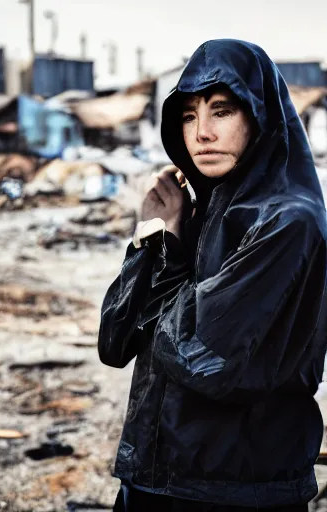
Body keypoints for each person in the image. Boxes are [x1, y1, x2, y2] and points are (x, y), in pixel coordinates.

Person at [98, 39, 327, 511]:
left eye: (221, 111)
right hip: (154, 478)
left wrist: (169, 259)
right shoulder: (202, 211)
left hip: (235, 492)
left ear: (260, 117)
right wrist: (154, 235)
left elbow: (200, 356)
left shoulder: (287, 223)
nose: (201, 132)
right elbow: (115, 342)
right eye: (187, 116)